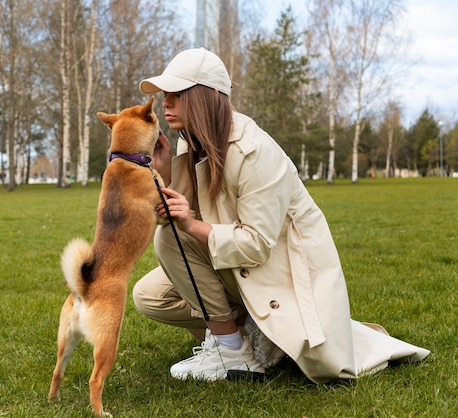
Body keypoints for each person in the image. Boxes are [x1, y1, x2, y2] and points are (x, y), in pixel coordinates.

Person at [132, 47, 429, 382]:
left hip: (277, 270)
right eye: (165, 95)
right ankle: (250, 334)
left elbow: (256, 244)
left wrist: (188, 223)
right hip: (236, 262)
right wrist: (164, 174)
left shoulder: (254, 151)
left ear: (210, 96)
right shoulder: (190, 143)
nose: (165, 103)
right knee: (151, 296)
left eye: (176, 94)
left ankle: (232, 350)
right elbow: (182, 217)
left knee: (172, 236)